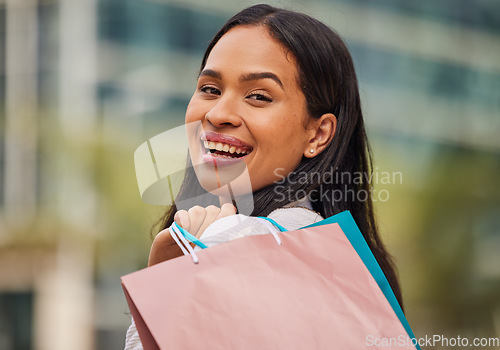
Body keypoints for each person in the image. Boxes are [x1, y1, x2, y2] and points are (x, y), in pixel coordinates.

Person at [125, 4, 402, 349]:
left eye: (258, 96)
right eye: (210, 89)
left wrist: (175, 270)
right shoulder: (344, 265)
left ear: (318, 134)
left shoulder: (243, 241)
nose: (218, 113)